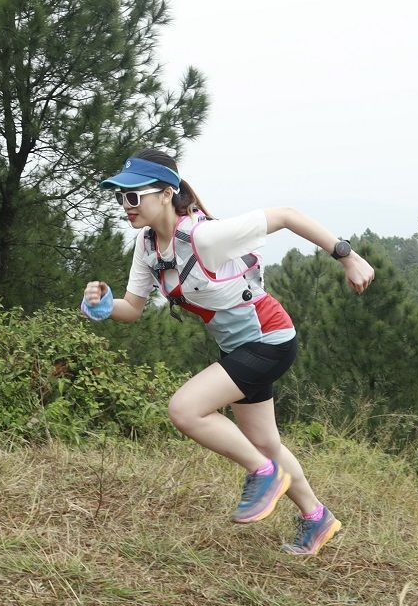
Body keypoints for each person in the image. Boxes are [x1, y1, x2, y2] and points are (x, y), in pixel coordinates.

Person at [80, 149, 374, 556]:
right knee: (266, 441)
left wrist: (348, 256)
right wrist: (103, 306)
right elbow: (131, 310)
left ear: (166, 193)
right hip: (241, 347)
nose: (125, 207)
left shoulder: (204, 237)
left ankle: (261, 474)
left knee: (185, 409)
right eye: (120, 198)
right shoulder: (148, 246)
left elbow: (287, 215)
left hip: (269, 339)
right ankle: (316, 517)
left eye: (134, 197)